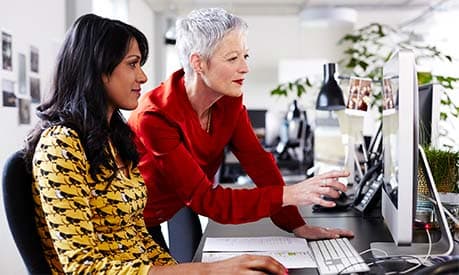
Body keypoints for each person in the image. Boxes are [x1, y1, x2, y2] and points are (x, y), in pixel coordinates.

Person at [23, 13, 288, 275]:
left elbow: (140, 240)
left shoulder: (113, 139)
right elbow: (83, 268)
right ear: (98, 70)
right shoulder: (61, 145)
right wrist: (206, 271)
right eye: (132, 64)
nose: (143, 77)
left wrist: (194, 270)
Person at [128, 7, 354, 248]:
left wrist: (297, 225)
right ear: (199, 63)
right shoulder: (154, 116)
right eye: (232, 58)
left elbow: (259, 163)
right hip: (136, 218)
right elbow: (206, 200)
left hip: (182, 201)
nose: (245, 67)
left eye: (245, 56)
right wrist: (291, 193)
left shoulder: (228, 100)